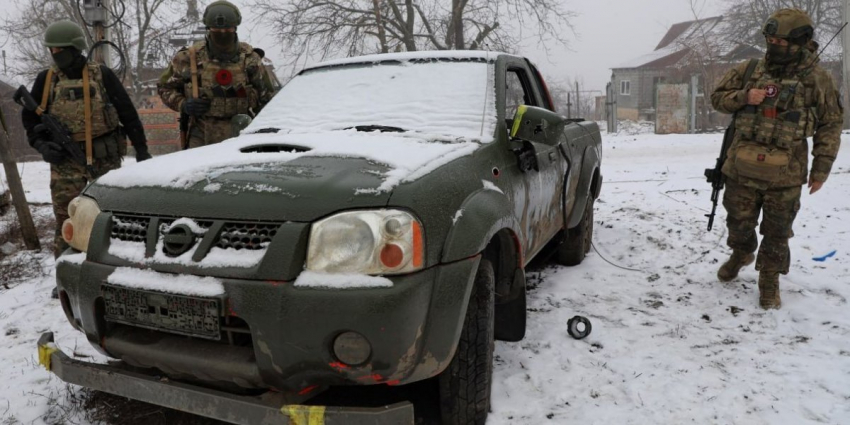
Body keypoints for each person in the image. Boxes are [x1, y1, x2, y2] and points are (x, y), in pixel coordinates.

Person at [710, 8, 843, 309]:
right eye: (770, 41)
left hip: (786, 171)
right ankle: (742, 252)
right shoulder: (750, 69)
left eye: (780, 42)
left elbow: (831, 124)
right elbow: (718, 98)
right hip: (741, 166)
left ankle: (769, 278)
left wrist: (821, 168)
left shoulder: (818, 79)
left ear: (800, 42)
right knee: (738, 221)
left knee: (777, 230)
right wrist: (744, 96)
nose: (774, 46)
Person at [21, 20, 151, 261]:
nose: (55, 54)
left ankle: (109, 266)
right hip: (64, 164)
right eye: (52, 50)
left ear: (75, 48)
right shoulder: (46, 79)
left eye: (60, 49)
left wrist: (142, 150)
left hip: (104, 159)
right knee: (66, 222)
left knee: (109, 217)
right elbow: (29, 119)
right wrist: (42, 145)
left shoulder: (101, 75)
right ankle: (66, 269)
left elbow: (127, 113)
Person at [157, 0, 276, 149]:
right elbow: (164, 87)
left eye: (228, 29)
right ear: (208, 29)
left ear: (235, 28)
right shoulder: (188, 58)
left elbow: (267, 98)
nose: (223, 33)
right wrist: (183, 104)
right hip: (201, 136)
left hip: (242, 135)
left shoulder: (250, 59)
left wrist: (267, 131)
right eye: (216, 30)